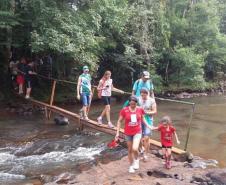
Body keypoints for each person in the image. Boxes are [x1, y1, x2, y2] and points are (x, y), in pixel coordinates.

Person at [115, 96, 152, 173]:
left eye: (134, 104)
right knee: (129, 150)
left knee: (135, 148)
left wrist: (148, 125)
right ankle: (131, 166)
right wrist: (117, 133)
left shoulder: (140, 109)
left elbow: (143, 118)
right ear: (129, 103)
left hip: (137, 131)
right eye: (131, 104)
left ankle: (137, 160)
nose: (132, 105)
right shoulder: (124, 110)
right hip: (128, 133)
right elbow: (119, 121)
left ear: (136, 103)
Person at [138, 87, 157, 161]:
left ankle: (146, 154)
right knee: (138, 136)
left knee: (146, 138)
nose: (143, 97)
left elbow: (155, 111)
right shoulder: (138, 99)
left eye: (144, 96)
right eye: (142, 95)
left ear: (147, 94)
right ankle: (141, 148)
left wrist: (146, 112)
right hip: (139, 119)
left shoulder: (152, 101)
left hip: (148, 120)